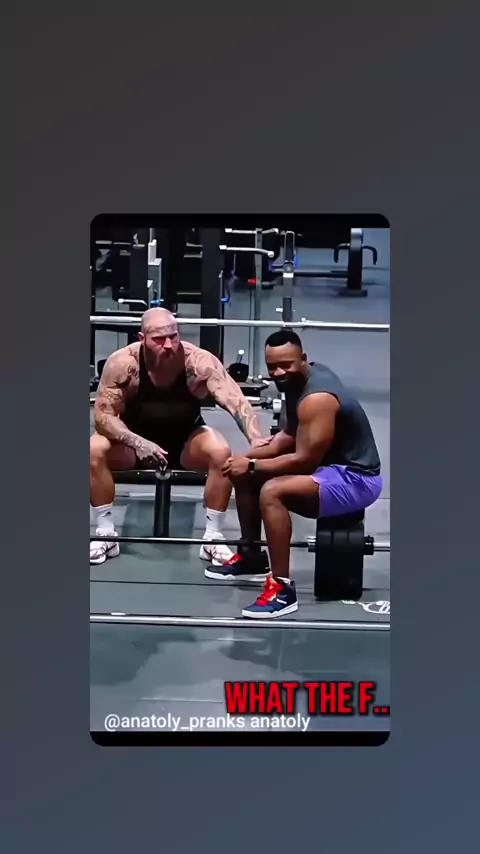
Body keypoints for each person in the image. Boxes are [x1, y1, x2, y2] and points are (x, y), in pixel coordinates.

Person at [216, 330, 383, 619]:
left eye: (286, 365)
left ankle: (282, 589)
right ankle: (252, 556)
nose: (278, 373)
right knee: (242, 473)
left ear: (303, 359)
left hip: (357, 478)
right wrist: (245, 459)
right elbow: (289, 437)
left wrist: (253, 465)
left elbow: (304, 461)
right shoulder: (296, 383)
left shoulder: (317, 398)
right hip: (330, 469)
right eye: (272, 367)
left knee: (273, 491)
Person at [90, 307, 268, 565]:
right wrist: (138, 442)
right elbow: (103, 418)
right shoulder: (123, 364)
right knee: (94, 448)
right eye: (159, 339)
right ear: (142, 339)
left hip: (185, 442)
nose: (169, 345)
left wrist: (256, 439)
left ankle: (213, 539)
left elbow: (236, 401)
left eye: (173, 336)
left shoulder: (198, 362)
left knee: (220, 451)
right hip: (133, 445)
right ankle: (105, 534)